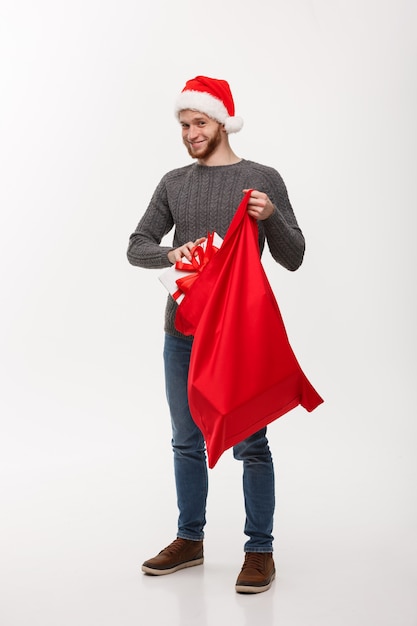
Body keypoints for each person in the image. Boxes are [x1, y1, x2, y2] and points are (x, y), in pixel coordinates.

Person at [127, 75, 305, 594]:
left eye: (199, 122)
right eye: (184, 125)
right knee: (186, 439)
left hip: (241, 336)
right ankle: (190, 539)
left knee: (252, 439)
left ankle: (260, 550)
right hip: (182, 331)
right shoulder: (174, 183)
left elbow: (293, 257)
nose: (190, 133)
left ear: (222, 121)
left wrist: (271, 217)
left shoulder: (262, 179)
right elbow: (137, 244)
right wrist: (170, 253)